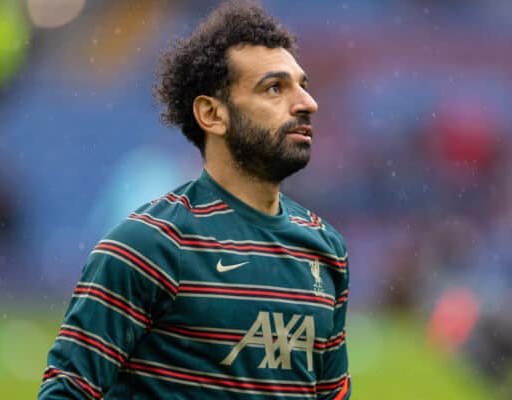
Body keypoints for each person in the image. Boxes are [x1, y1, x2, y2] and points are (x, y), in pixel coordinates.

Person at [38, 2, 351, 399]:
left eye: (301, 85)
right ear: (211, 114)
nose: (307, 103)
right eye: (275, 88)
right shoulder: (145, 248)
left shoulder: (326, 250)